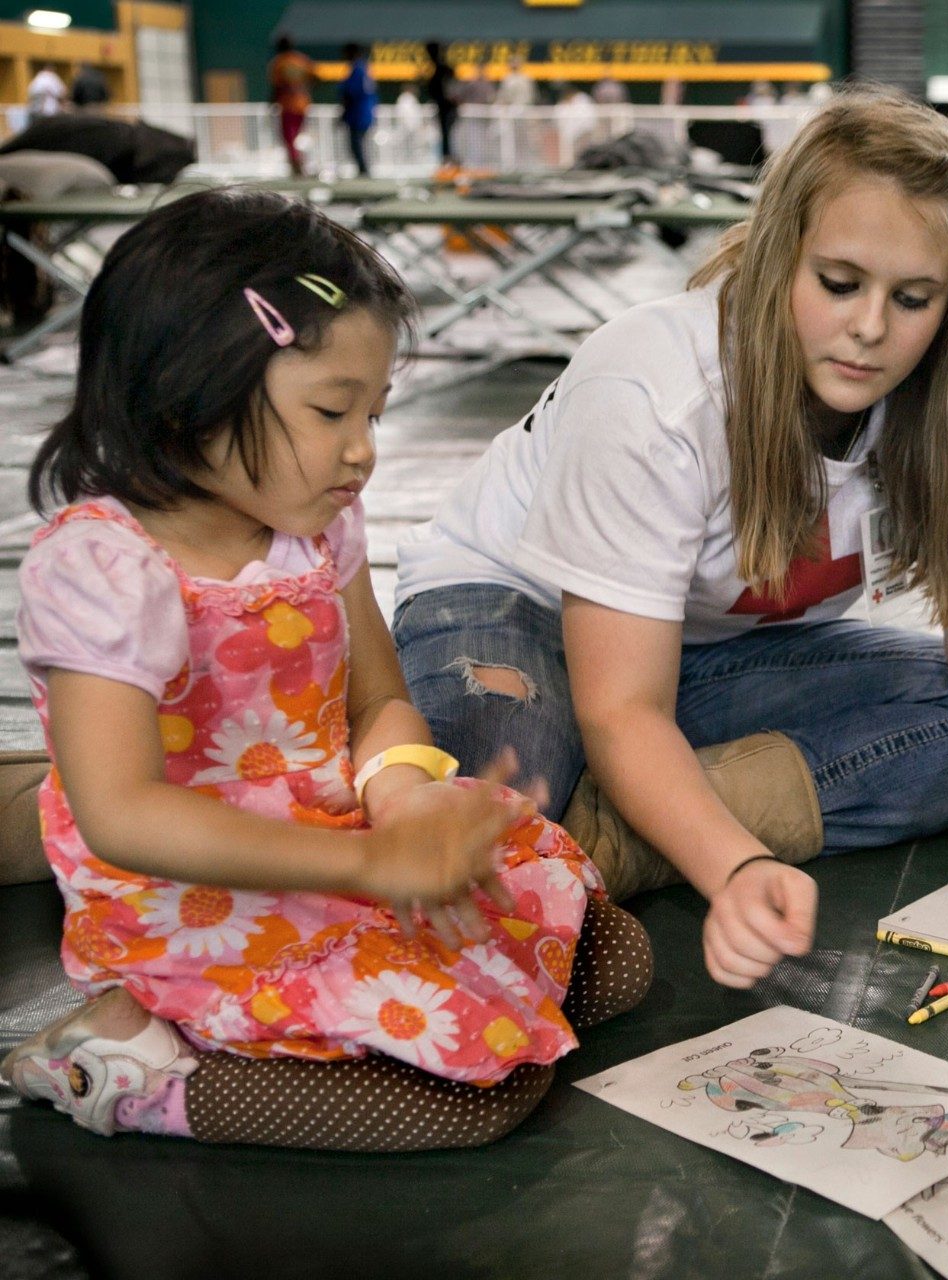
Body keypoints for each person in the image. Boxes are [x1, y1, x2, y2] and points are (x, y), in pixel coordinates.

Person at [0, 188, 652, 1151]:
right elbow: (124, 815)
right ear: (188, 394)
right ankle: (125, 1077)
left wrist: (403, 795)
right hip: (195, 897)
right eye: (331, 410)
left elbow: (381, 698)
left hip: (333, 835)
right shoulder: (104, 567)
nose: (363, 452)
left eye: (377, 412)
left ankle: (292, 1029)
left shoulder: (315, 528)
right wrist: (367, 862)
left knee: (613, 959)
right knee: (473, 1097)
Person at [390, 88, 948, 990]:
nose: (869, 328)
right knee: (485, 822)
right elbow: (621, 705)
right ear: (780, 254)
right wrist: (736, 866)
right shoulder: (655, 386)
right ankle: (607, 816)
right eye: (839, 284)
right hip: (509, 610)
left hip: (687, 663)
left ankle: (614, 835)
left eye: (913, 298)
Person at [268, 34, 315, 176]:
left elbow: (276, 86)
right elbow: (314, 78)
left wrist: (272, 101)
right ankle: (300, 163)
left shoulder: (279, 63)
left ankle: (296, 166)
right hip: (303, 104)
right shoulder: (302, 60)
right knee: (297, 136)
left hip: (288, 105)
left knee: (289, 137)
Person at [338, 42, 378, 177]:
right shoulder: (364, 68)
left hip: (358, 113)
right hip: (364, 112)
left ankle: (363, 170)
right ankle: (363, 170)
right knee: (357, 143)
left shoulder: (358, 69)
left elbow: (351, 93)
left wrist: (343, 112)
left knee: (356, 143)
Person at [423, 41, 459, 165]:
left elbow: (452, 92)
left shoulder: (444, 70)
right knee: (444, 135)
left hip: (449, 109)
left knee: (451, 135)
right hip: (442, 107)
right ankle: (447, 159)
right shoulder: (436, 69)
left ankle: (451, 159)